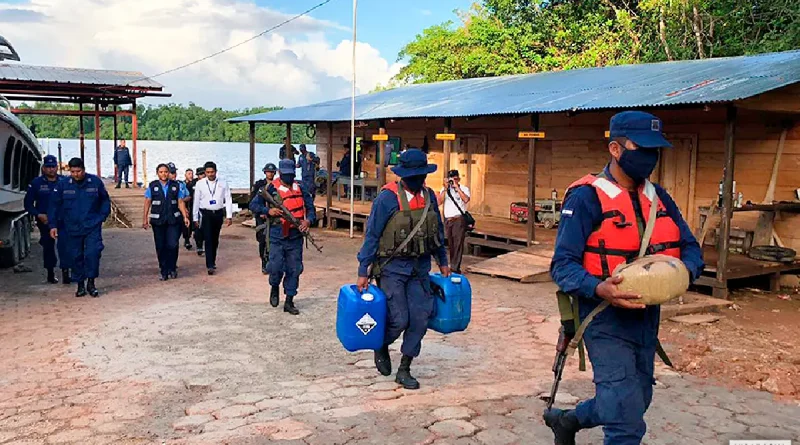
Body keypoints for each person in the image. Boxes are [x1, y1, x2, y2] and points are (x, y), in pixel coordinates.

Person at [545, 111, 705, 445]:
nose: (650, 157)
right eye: (641, 148)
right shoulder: (586, 196)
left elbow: (691, 248)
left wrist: (682, 273)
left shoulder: (659, 198)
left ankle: (568, 421)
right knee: (626, 422)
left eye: (655, 150)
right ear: (615, 149)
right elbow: (562, 265)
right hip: (602, 316)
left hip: (647, 316)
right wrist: (598, 286)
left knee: (638, 399)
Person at [356, 149, 450, 390]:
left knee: (420, 318)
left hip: (420, 268)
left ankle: (405, 368)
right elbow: (373, 235)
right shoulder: (386, 199)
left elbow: (438, 232)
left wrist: (443, 261)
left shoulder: (429, 196)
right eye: (414, 175)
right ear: (404, 175)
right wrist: (363, 269)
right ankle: (381, 344)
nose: (419, 180)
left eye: (422, 175)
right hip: (392, 268)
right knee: (399, 319)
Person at [251, 159, 315, 315]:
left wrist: (308, 221)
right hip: (277, 234)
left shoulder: (300, 187)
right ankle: (274, 286)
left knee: (295, 268)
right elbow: (253, 205)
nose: (289, 177)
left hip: (295, 234)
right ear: (280, 173)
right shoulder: (270, 188)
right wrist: (268, 212)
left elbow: (310, 208)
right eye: (285, 174)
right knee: (276, 266)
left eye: (291, 174)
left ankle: (289, 301)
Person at [48, 157, 111, 298]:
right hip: (71, 226)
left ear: (84, 169)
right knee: (75, 256)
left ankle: (91, 283)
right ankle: (80, 284)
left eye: (78, 171)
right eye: (73, 171)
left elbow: (105, 200)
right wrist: (53, 225)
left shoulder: (95, 182)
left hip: (92, 225)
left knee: (93, 253)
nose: (76, 174)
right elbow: (54, 205)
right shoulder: (63, 185)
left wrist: (101, 217)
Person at [24, 155, 70, 284]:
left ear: (57, 167)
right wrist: (38, 214)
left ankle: (66, 272)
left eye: (53, 167)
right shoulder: (36, 183)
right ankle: (50, 273)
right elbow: (28, 204)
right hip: (45, 220)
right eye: (48, 167)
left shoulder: (64, 181)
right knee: (48, 247)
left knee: (65, 246)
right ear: (43, 168)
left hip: (62, 219)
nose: (51, 170)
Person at [143, 164, 191, 281]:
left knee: (173, 244)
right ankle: (163, 270)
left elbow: (180, 202)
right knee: (160, 246)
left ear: (169, 173)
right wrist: (145, 218)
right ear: (157, 173)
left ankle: (172, 267)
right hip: (158, 221)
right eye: (161, 172)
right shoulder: (152, 186)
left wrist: (185, 216)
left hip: (173, 220)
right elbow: (147, 202)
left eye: (165, 172)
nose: (163, 174)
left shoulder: (175, 186)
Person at [192, 161, 233, 275]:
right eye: (208, 172)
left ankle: (212, 261)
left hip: (218, 213)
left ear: (216, 172)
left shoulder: (223, 183)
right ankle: (209, 264)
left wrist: (229, 215)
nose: (210, 174)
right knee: (208, 238)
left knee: (215, 239)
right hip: (205, 214)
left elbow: (228, 199)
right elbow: (196, 201)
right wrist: (195, 217)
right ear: (205, 172)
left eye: (212, 172)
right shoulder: (200, 184)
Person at [437, 169, 471, 274]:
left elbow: (466, 199)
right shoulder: (445, 189)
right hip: (448, 219)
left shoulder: (464, 188)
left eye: (456, 179)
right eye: (452, 180)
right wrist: (446, 188)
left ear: (459, 179)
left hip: (458, 218)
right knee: (451, 244)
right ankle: (453, 265)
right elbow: (439, 202)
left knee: (458, 243)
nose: (454, 181)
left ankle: (455, 268)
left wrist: (457, 188)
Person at [250, 163, 278, 274]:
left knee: (273, 241)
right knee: (262, 240)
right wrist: (260, 211)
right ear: (265, 172)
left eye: (272, 172)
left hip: (274, 217)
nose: (270, 174)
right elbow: (252, 202)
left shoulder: (277, 185)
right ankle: (264, 262)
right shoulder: (259, 185)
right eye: (268, 171)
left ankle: (271, 263)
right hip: (261, 217)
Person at [193, 167, 206, 256]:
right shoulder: (193, 184)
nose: (202, 176)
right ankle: (199, 246)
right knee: (198, 228)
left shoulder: (209, 183)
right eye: (200, 174)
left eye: (203, 174)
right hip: (194, 208)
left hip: (206, 209)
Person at [182, 168, 195, 250]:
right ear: (185, 175)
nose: (191, 175)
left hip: (194, 205)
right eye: (189, 173)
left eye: (192, 174)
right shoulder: (182, 184)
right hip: (186, 205)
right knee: (187, 223)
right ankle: (187, 240)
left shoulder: (195, 183)